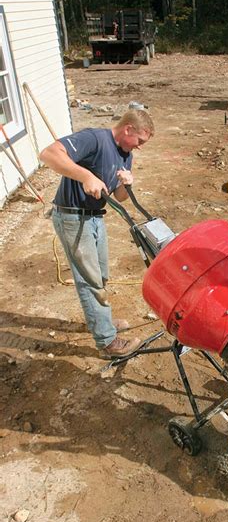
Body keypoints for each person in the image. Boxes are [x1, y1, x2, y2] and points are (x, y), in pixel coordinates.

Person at [40, 110, 155, 357]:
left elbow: (121, 197)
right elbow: (48, 154)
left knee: (101, 275)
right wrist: (85, 175)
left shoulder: (126, 154)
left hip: (94, 218)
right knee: (89, 280)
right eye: (140, 141)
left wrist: (127, 182)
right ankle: (106, 342)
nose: (140, 147)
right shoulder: (94, 139)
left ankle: (100, 321)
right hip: (72, 216)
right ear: (128, 129)